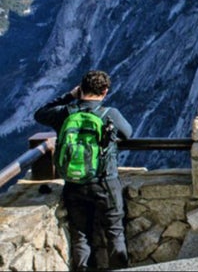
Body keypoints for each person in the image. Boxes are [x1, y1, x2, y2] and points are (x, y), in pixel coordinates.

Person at [34, 70, 133, 271]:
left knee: (80, 236)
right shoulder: (109, 114)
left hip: (74, 185)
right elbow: (128, 134)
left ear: (81, 89)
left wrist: (69, 96)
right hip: (105, 183)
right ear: (105, 91)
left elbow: (40, 113)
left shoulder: (65, 113)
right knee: (115, 233)